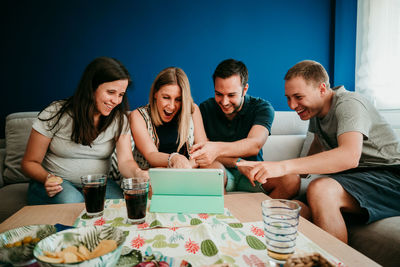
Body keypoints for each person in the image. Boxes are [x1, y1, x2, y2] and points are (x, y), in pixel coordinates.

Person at [238, 60, 400, 243]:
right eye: (288, 98)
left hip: (390, 176)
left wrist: (282, 167)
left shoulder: (349, 103)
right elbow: (313, 155)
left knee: (321, 189)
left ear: (322, 89)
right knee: (294, 208)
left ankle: (336, 262)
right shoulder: (316, 113)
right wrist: (256, 166)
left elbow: (349, 156)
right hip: (355, 178)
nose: (292, 105)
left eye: (298, 97)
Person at [21, 57, 146, 205]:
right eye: (111, 92)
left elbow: (126, 161)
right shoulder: (55, 113)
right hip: (55, 184)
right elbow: (29, 162)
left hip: (96, 184)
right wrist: (47, 178)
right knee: (73, 201)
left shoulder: (119, 120)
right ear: (91, 87)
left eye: (120, 95)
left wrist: (138, 173)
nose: (116, 100)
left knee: (119, 205)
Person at [191, 59, 300, 198]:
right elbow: (204, 154)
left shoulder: (262, 108)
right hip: (220, 169)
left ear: (245, 89)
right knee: (212, 171)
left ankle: (257, 216)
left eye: (231, 95)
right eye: (219, 94)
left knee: (291, 180)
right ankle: (224, 217)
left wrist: (215, 148)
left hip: (251, 171)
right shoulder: (205, 108)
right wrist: (237, 163)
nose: (224, 102)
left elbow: (254, 145)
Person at [130, 67, 209, 169]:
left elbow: (202, 152)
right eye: (166, 97)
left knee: (218, 168)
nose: (171, 106)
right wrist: (174, 159)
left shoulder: (192, 110)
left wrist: (184, 168)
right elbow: (151, 155)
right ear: (155, 93)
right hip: (153, 175)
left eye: (178, 99)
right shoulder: (138, 116)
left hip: (188, 171)